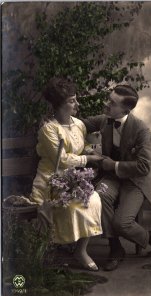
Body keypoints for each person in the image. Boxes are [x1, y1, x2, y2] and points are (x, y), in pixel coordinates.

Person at [83, 84, 151, 271]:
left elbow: (143, 166)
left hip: (135, 180)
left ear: (126, 110)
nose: (106, 104)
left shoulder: (142, 130)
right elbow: (80, 124)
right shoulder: (105, 120)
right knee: (99, 197)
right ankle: (115, 248)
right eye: (109, 99)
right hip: (112, 178)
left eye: (112, 103)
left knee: (122, 223)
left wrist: (113, 165)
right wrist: (54, 121)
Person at [30, 77, 104, 271]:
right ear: (59, 105)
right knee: (69, 207)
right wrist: (88, 160)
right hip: (50, 179)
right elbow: (60, 160)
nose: (77, 104)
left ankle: (81, 250)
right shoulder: (49, 129)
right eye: (72, 101)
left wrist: (89, 150)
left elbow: (79, 147)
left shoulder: (79, 124)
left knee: (93, 198)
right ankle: (52, 250)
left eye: (75, 99)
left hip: (72, 179)